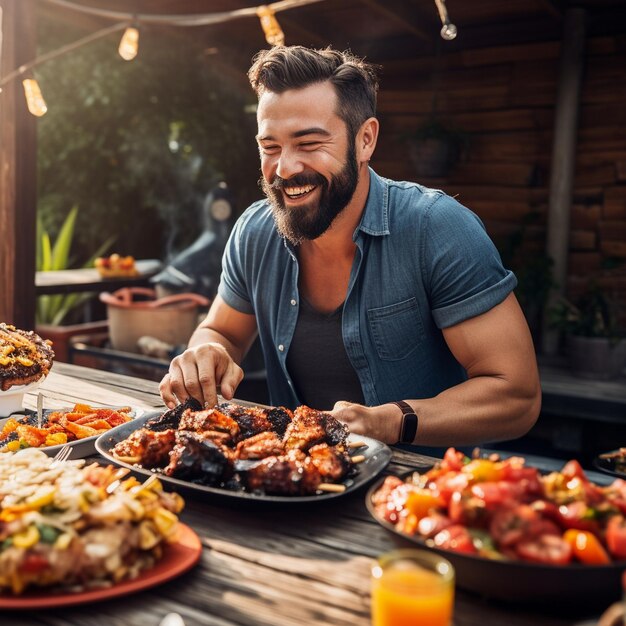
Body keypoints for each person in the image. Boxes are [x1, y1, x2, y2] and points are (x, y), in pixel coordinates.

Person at [159, 45, 541, 447]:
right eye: (270, 147)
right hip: (289, 488)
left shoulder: (438, 228)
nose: (285, 168)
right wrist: (206, 353)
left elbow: (516, 395)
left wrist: (388, 423)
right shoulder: (255, 230)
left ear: (365, 140)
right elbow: (222, 331)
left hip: (421, 494)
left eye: (308, 143)